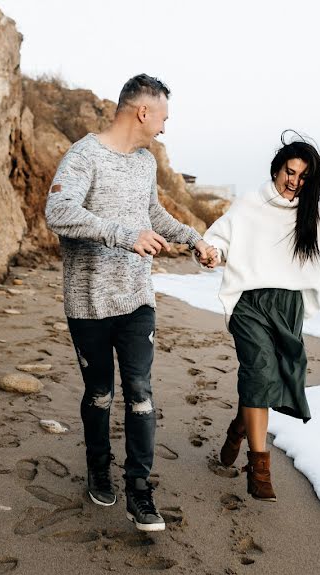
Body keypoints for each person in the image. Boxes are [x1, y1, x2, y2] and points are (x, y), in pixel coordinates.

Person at [44, 74, 216, 531]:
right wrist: (123, 235)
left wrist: (193, 239)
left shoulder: (144, 162)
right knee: (100, 393)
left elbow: (151, 214)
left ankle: (140, 491)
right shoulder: (83, 155)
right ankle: (98, 466)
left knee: (140, 392)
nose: (164, 127)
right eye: (163, 117)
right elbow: (58, 213)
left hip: (137, 298)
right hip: (89, 301)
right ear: (144, 111)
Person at [199, 133, 320, 501]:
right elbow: (221, 241)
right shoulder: (249, 205)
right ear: (277, 169)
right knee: (260, 371)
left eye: (303, 177)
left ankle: (237, 432)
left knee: (272, 378)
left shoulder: (315, 217)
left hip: (290, 308)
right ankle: (259, 468)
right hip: (251, 303)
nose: (294, 181)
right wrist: (212, 254)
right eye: (289, 172)